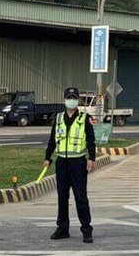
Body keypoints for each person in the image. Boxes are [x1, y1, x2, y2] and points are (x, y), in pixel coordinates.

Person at [44, 87, 96, 244]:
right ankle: (63, 228)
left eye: (74, 98)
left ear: (78, 100)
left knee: (81, 197)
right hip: (62, 162)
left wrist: (91, 158)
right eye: (69, 97)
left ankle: (86, 230)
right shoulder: (58, 117)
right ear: (64, 99)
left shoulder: (84, 118)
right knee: (62, 197)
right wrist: (47, 157)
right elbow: (53, 140)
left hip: (78, 162)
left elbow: (91, 140)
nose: (71, 100)